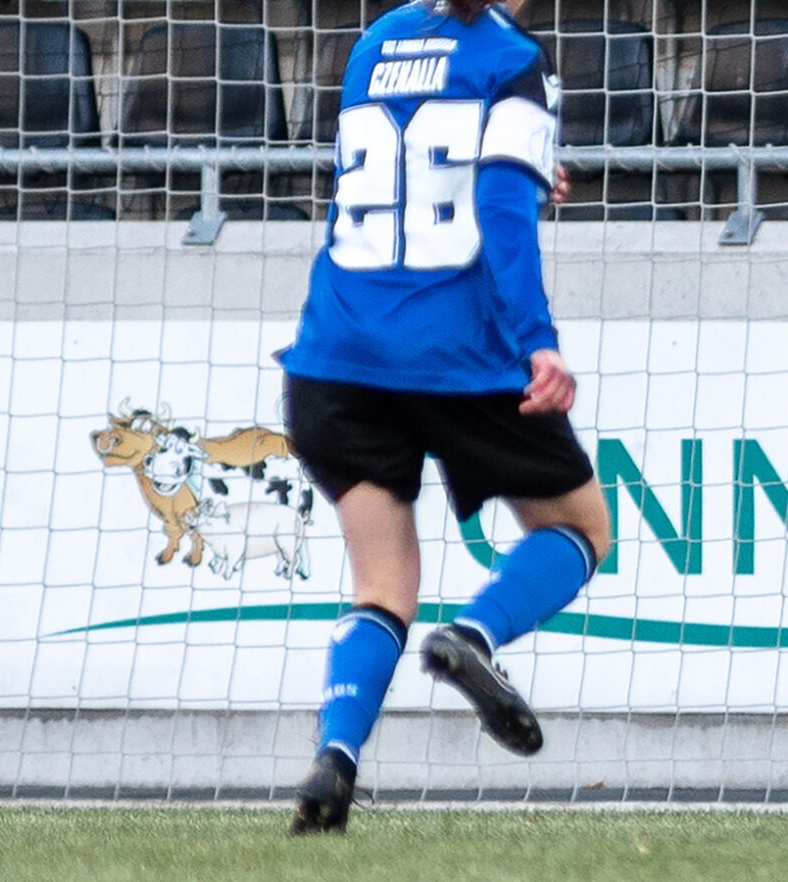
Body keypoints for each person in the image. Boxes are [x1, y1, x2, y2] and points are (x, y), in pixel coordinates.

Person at [278, 0, 610, 834]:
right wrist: (539, 341)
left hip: (337, 354)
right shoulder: (510, 56)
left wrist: (530, 173)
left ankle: (336, 758)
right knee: (582, 528)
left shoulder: (375, 40)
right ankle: (474, 634)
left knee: (383, 586)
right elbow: (498, 213)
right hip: (460, 354)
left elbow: (417, 168)